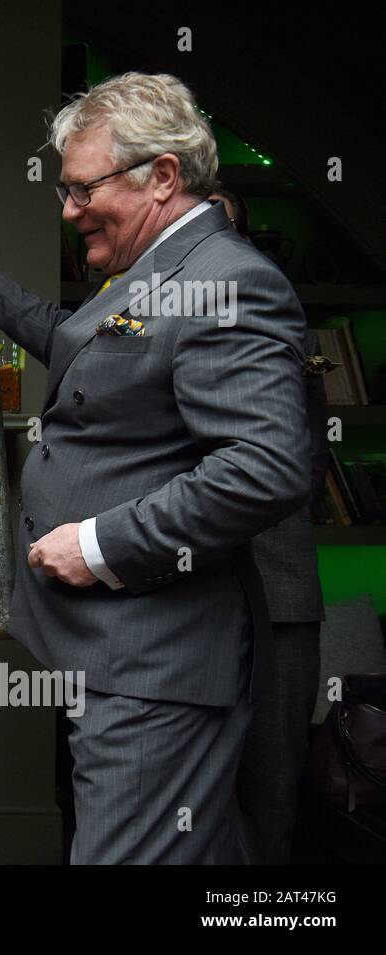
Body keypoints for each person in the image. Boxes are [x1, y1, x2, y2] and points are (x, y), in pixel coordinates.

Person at [0, 72, 310, 863]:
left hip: (154, 668)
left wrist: (98, 543)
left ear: (163, 176)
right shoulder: (149, 275)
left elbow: (266, 467)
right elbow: (81, 346)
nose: (67, 211)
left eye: (81, 189)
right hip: (109, 656)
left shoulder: (225, 282)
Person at [211, 185, 333, 864]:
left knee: (272, 793)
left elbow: (309, 452)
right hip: (182, 602)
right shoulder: (145, 315)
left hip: (280, 595)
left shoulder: (285, 321)